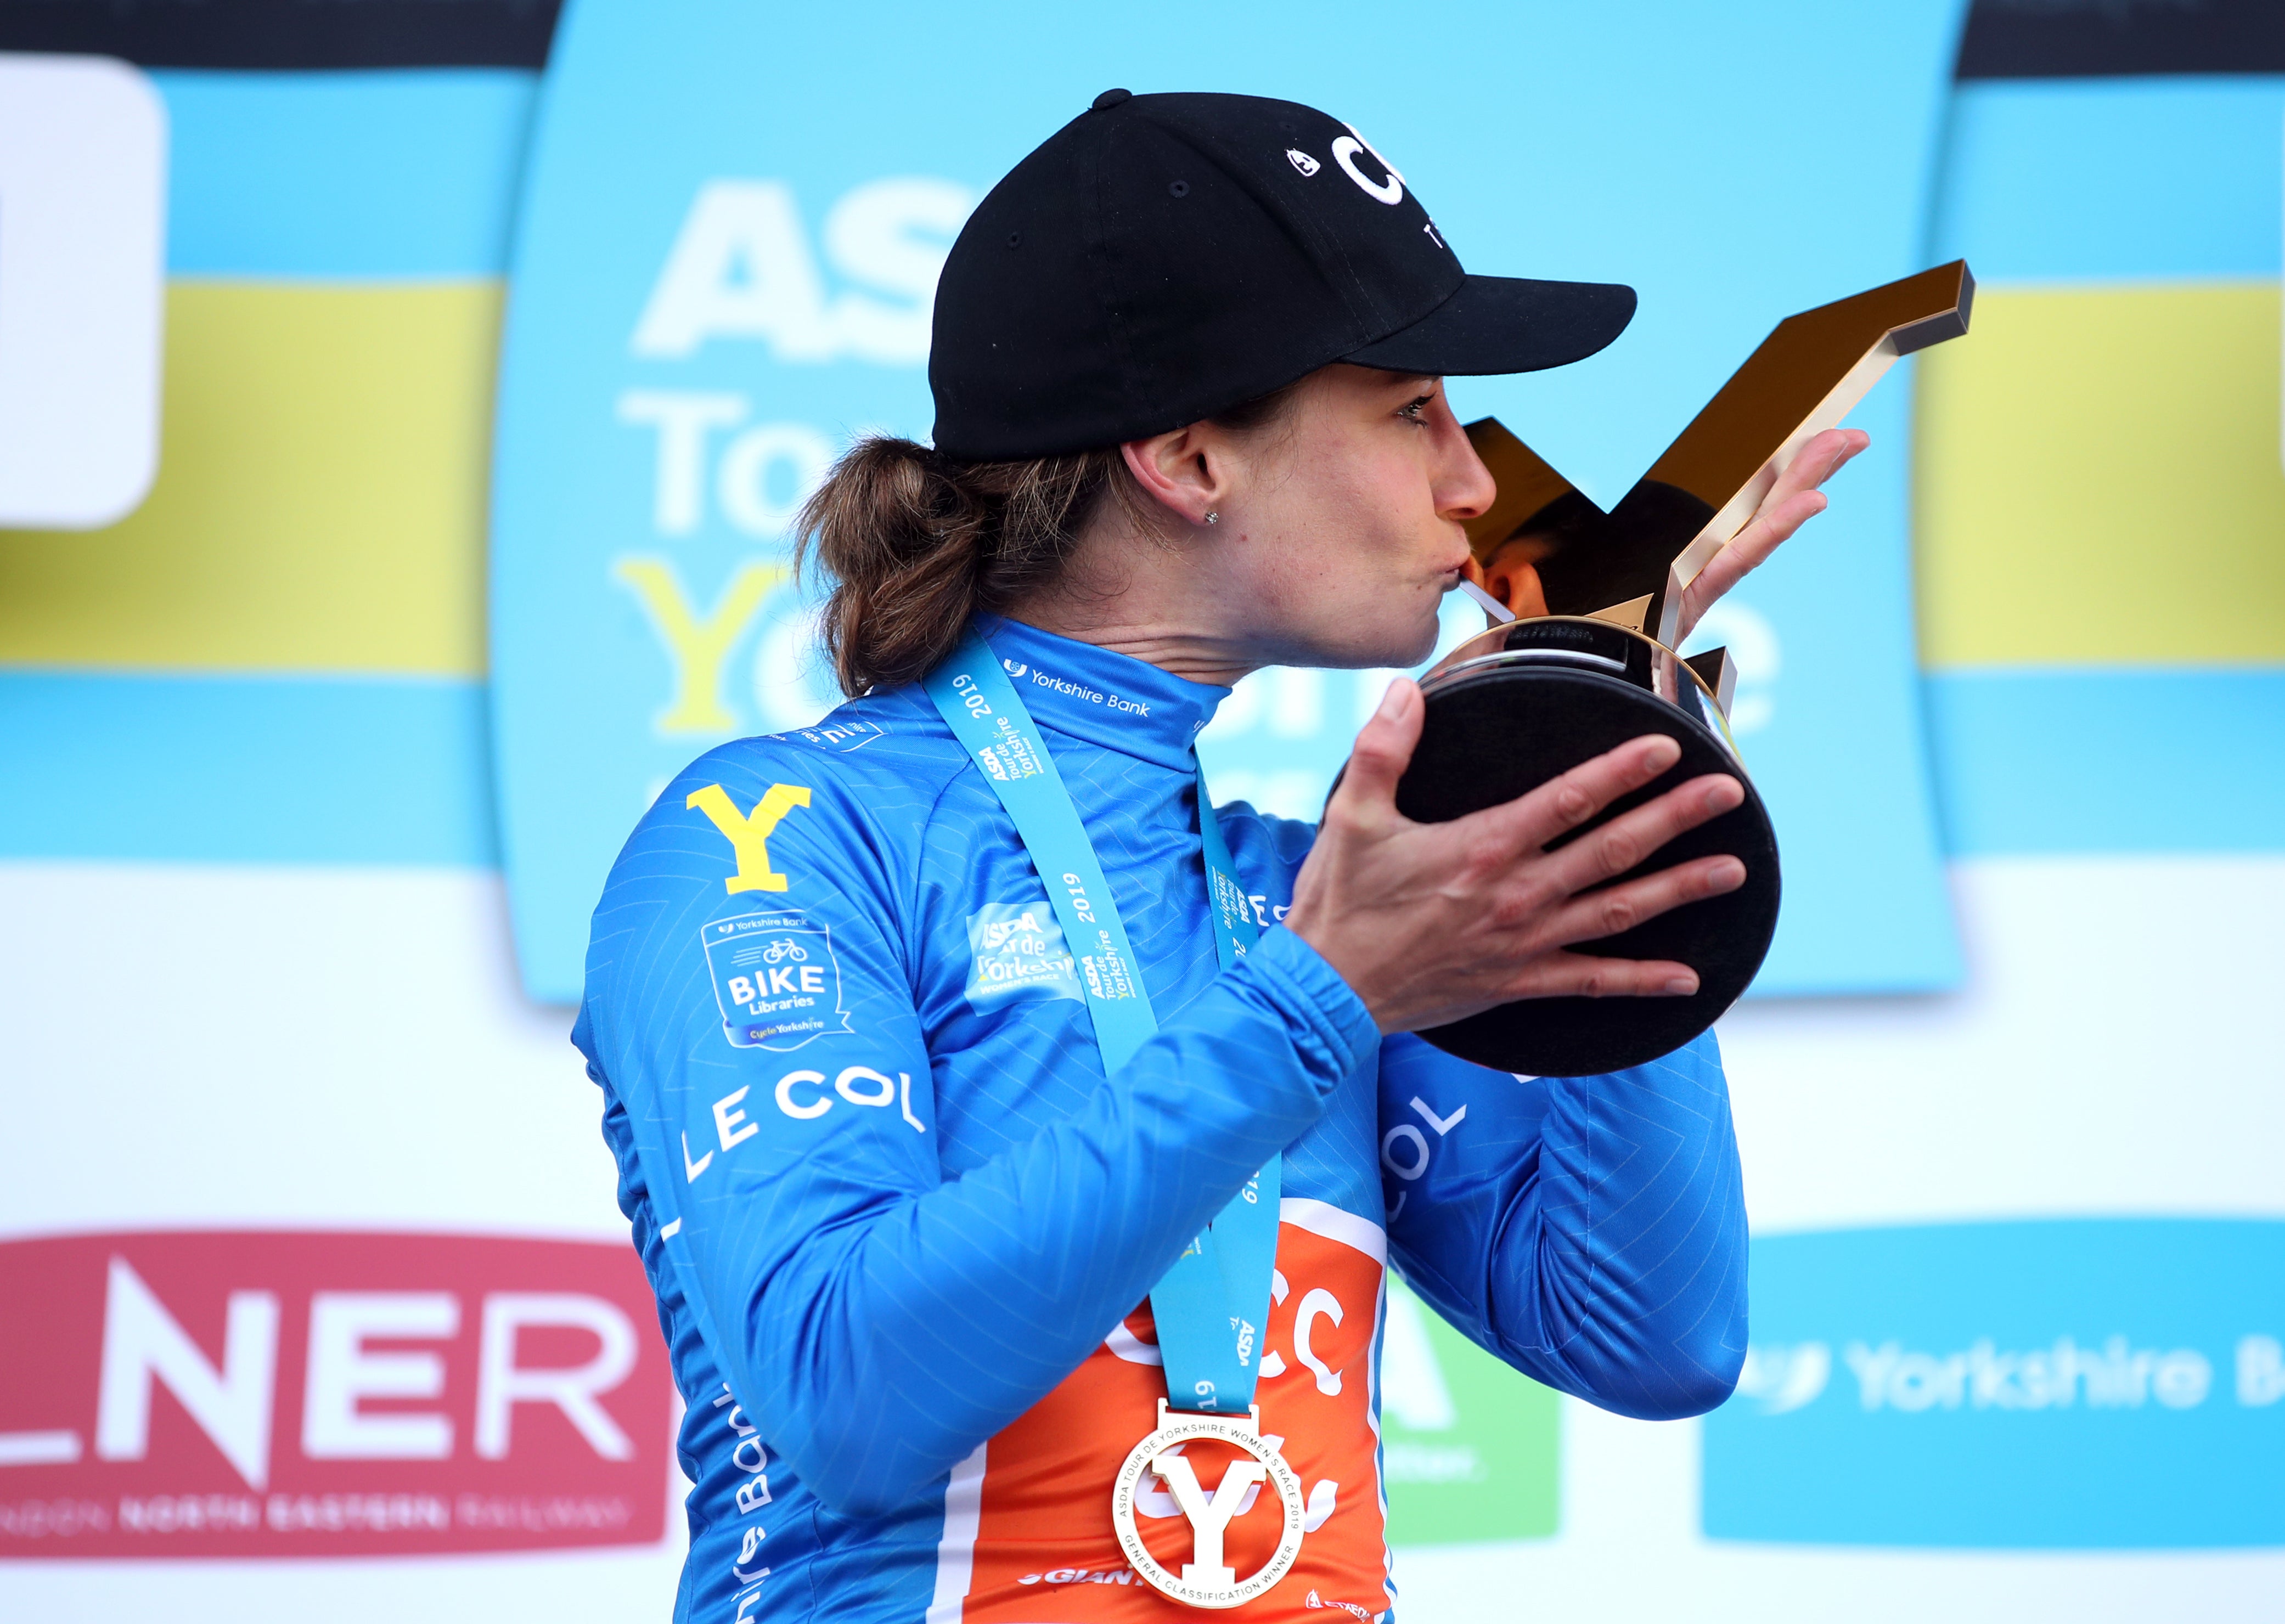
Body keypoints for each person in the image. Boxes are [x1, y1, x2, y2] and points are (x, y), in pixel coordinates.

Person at [575, 89, 1865, 1623]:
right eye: (1411, 413)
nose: (1476, 485)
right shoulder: (782, 838)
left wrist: (1599, 692)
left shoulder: (1311, 888)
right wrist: (1316, 999)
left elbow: (1652, 1334)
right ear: (1187, 460)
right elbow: (845, 1384)